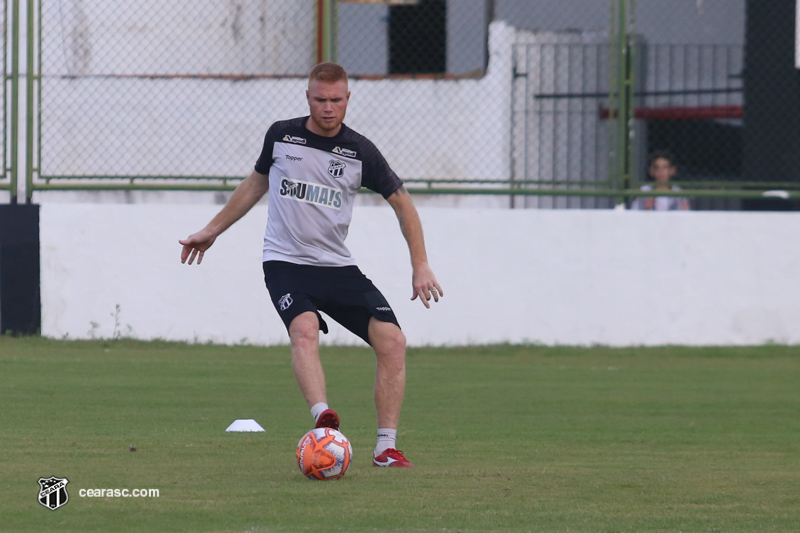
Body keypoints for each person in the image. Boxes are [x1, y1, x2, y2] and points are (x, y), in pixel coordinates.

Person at [179, 62, 442, 468]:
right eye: (320, 100)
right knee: (304, 329)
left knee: (393, 342)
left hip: (337, 266)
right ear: (307, 98)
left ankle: (386, 448)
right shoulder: (282, 135)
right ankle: (323, 420)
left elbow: (403, 203)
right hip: (285, 262)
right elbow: (255, 183)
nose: (328, 108)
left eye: (336, 100)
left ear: (348, 99)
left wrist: (420, 264)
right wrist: (213, 230)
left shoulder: (360, 151)